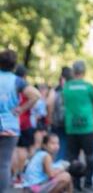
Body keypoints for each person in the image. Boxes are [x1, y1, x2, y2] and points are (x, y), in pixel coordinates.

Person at [1, 50, 40, 193]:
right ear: (14, 65)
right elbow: (35, 95)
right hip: (10, 126)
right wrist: (21, 109)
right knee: (4, 164)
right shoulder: (17, 81)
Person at [62, 60, 93, 192]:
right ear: (84, 71)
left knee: (73, 157)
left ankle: (76, 184)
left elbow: (64, 101)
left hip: (71, 127)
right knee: (90, 156)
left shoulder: (67, 87)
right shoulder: (89, 87)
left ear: (73, 71)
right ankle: (88, 183)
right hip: (87, 127)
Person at [47, 68, 72, 163]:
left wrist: (49, 118)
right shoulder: (72, 89)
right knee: (67, 149)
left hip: (58, 123)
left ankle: (57, 167)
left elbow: (49, 103)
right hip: (70, 124)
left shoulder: (57, 90)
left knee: (58, 147)